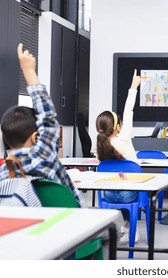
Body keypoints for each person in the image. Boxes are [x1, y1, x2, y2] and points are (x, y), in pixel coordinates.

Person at [0, 43, 86, 208]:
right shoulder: (43, 157)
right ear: (35, 136)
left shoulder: (4, 173)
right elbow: (47, 116)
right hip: (74, 225)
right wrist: (29, 72)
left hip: (36, 230)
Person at [95, 69, 140, 242]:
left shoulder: (100, 145)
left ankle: (127, 226)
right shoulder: (123, 138)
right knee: (136, 189)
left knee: (119, 185)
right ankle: (131, 226)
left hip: (108, 194)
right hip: (128, 193)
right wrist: (133, 86)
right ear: (118, 127)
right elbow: (128, 110)